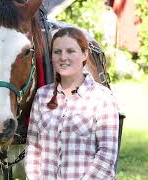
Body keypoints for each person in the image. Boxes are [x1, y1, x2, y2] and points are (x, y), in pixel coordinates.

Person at [24, 27, 119, 180]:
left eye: (70, 51)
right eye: (57, 52)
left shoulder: (102, 98)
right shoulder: (42, 96)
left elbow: (106, 156)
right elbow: (33, 150)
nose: (63, 57)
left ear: (84, 55)